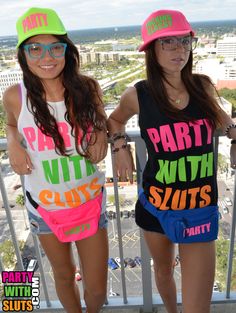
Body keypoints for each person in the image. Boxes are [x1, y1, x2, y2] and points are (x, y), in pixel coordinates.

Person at [107, 9, 236, 313]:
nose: (180, 50)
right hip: (156, 205)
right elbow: (115, 121)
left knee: (198, 307)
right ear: (152, 49)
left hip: (199, 209)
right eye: (169, 43)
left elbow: (223, 119)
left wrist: (234, 136)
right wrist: (120, 146)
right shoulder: (137, 94)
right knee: (163, 272)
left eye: (184, 42)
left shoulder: (201, 86)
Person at [3, 7, 108, 313]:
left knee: (97, 287)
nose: (45, 56)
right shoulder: (15, 96)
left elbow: (100, 117)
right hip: (45, 208)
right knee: (63, 275)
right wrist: (12, 143)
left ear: (66, 50)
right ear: (23, 54)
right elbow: (11, 124)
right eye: (34, 48)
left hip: (88, 200)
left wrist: (101, 130)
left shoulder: (87, 88)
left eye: (54, 47)